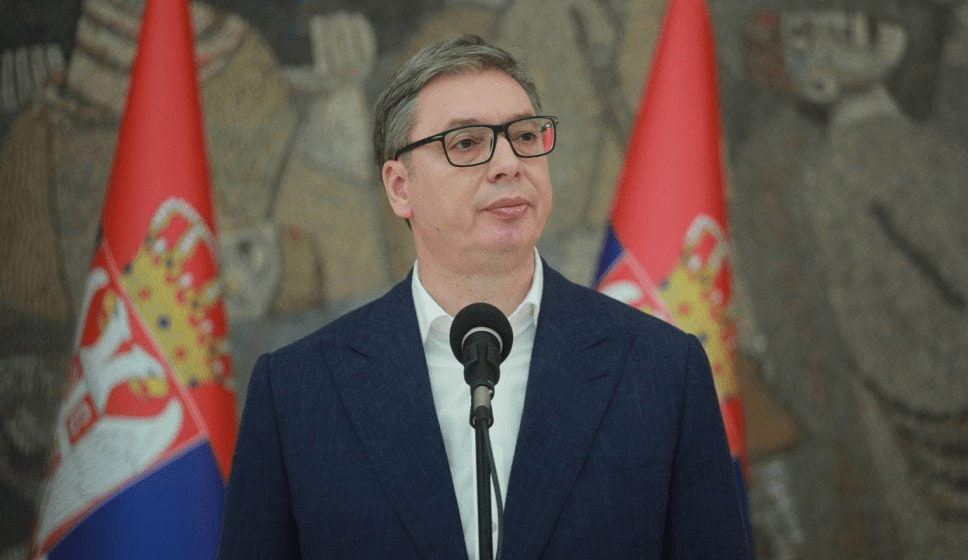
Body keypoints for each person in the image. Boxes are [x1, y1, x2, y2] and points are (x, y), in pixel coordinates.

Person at [218, 34, 751, 559]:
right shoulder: (297, 391)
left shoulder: (662, 368)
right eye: (467, 143)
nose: (508, 163)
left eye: (525, 136)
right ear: (400, 187)